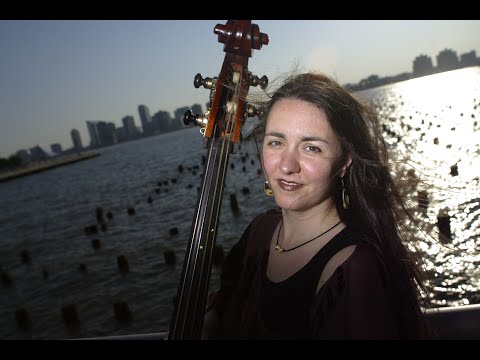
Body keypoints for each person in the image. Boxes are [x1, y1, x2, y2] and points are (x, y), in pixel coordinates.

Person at [202, 72, 431, 339]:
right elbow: (227, 305)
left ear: (344, 161)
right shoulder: (260, 231)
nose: (286, 166)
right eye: (276, 142)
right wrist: (208, 323)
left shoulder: (352, 270)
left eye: (311, 148)